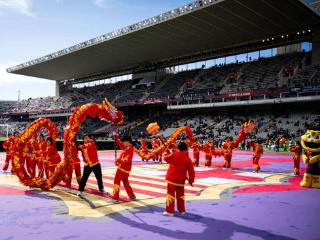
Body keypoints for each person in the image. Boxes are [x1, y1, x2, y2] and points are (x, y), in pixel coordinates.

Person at [163, 141, 195, 216]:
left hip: (172, 178)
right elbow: (191, 171)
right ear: (186, 149)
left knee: (170, 194)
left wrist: (165, 152)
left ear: (178, 148)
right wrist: (191, 180)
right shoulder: (188, 158)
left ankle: (170, 211)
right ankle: (182, 210)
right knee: (180, 195)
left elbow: (165, 158)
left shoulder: (174, 154)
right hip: (181, 180)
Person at [113, 133, 136, 201]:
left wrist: (119, 160)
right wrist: (116, 138)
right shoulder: (128, 147)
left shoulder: (129, 148)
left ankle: (116, 197)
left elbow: (127, 159)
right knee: (125, 182)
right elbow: (120, 144)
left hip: (122, 168)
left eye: (125, 142)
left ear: (128, 141)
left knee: (116, 181)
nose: (124, 143)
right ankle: (131, 195)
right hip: (126, 169)